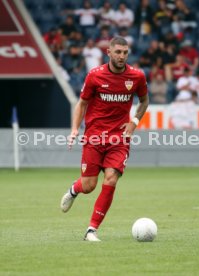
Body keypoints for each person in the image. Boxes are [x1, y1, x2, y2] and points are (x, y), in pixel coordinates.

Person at [60, 37, 149, 242]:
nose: (122, 56)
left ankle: (91, 230)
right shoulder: (95, 76)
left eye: (125, 52)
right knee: (89, 185)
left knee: (111, 179)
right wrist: (74, 129)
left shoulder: (136, 76)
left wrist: (134, 121)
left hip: (119, 138)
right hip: (94, 136)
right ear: (108, 52)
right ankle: (74, 190)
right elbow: (82, 104)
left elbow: (144, 100)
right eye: (118, 52)